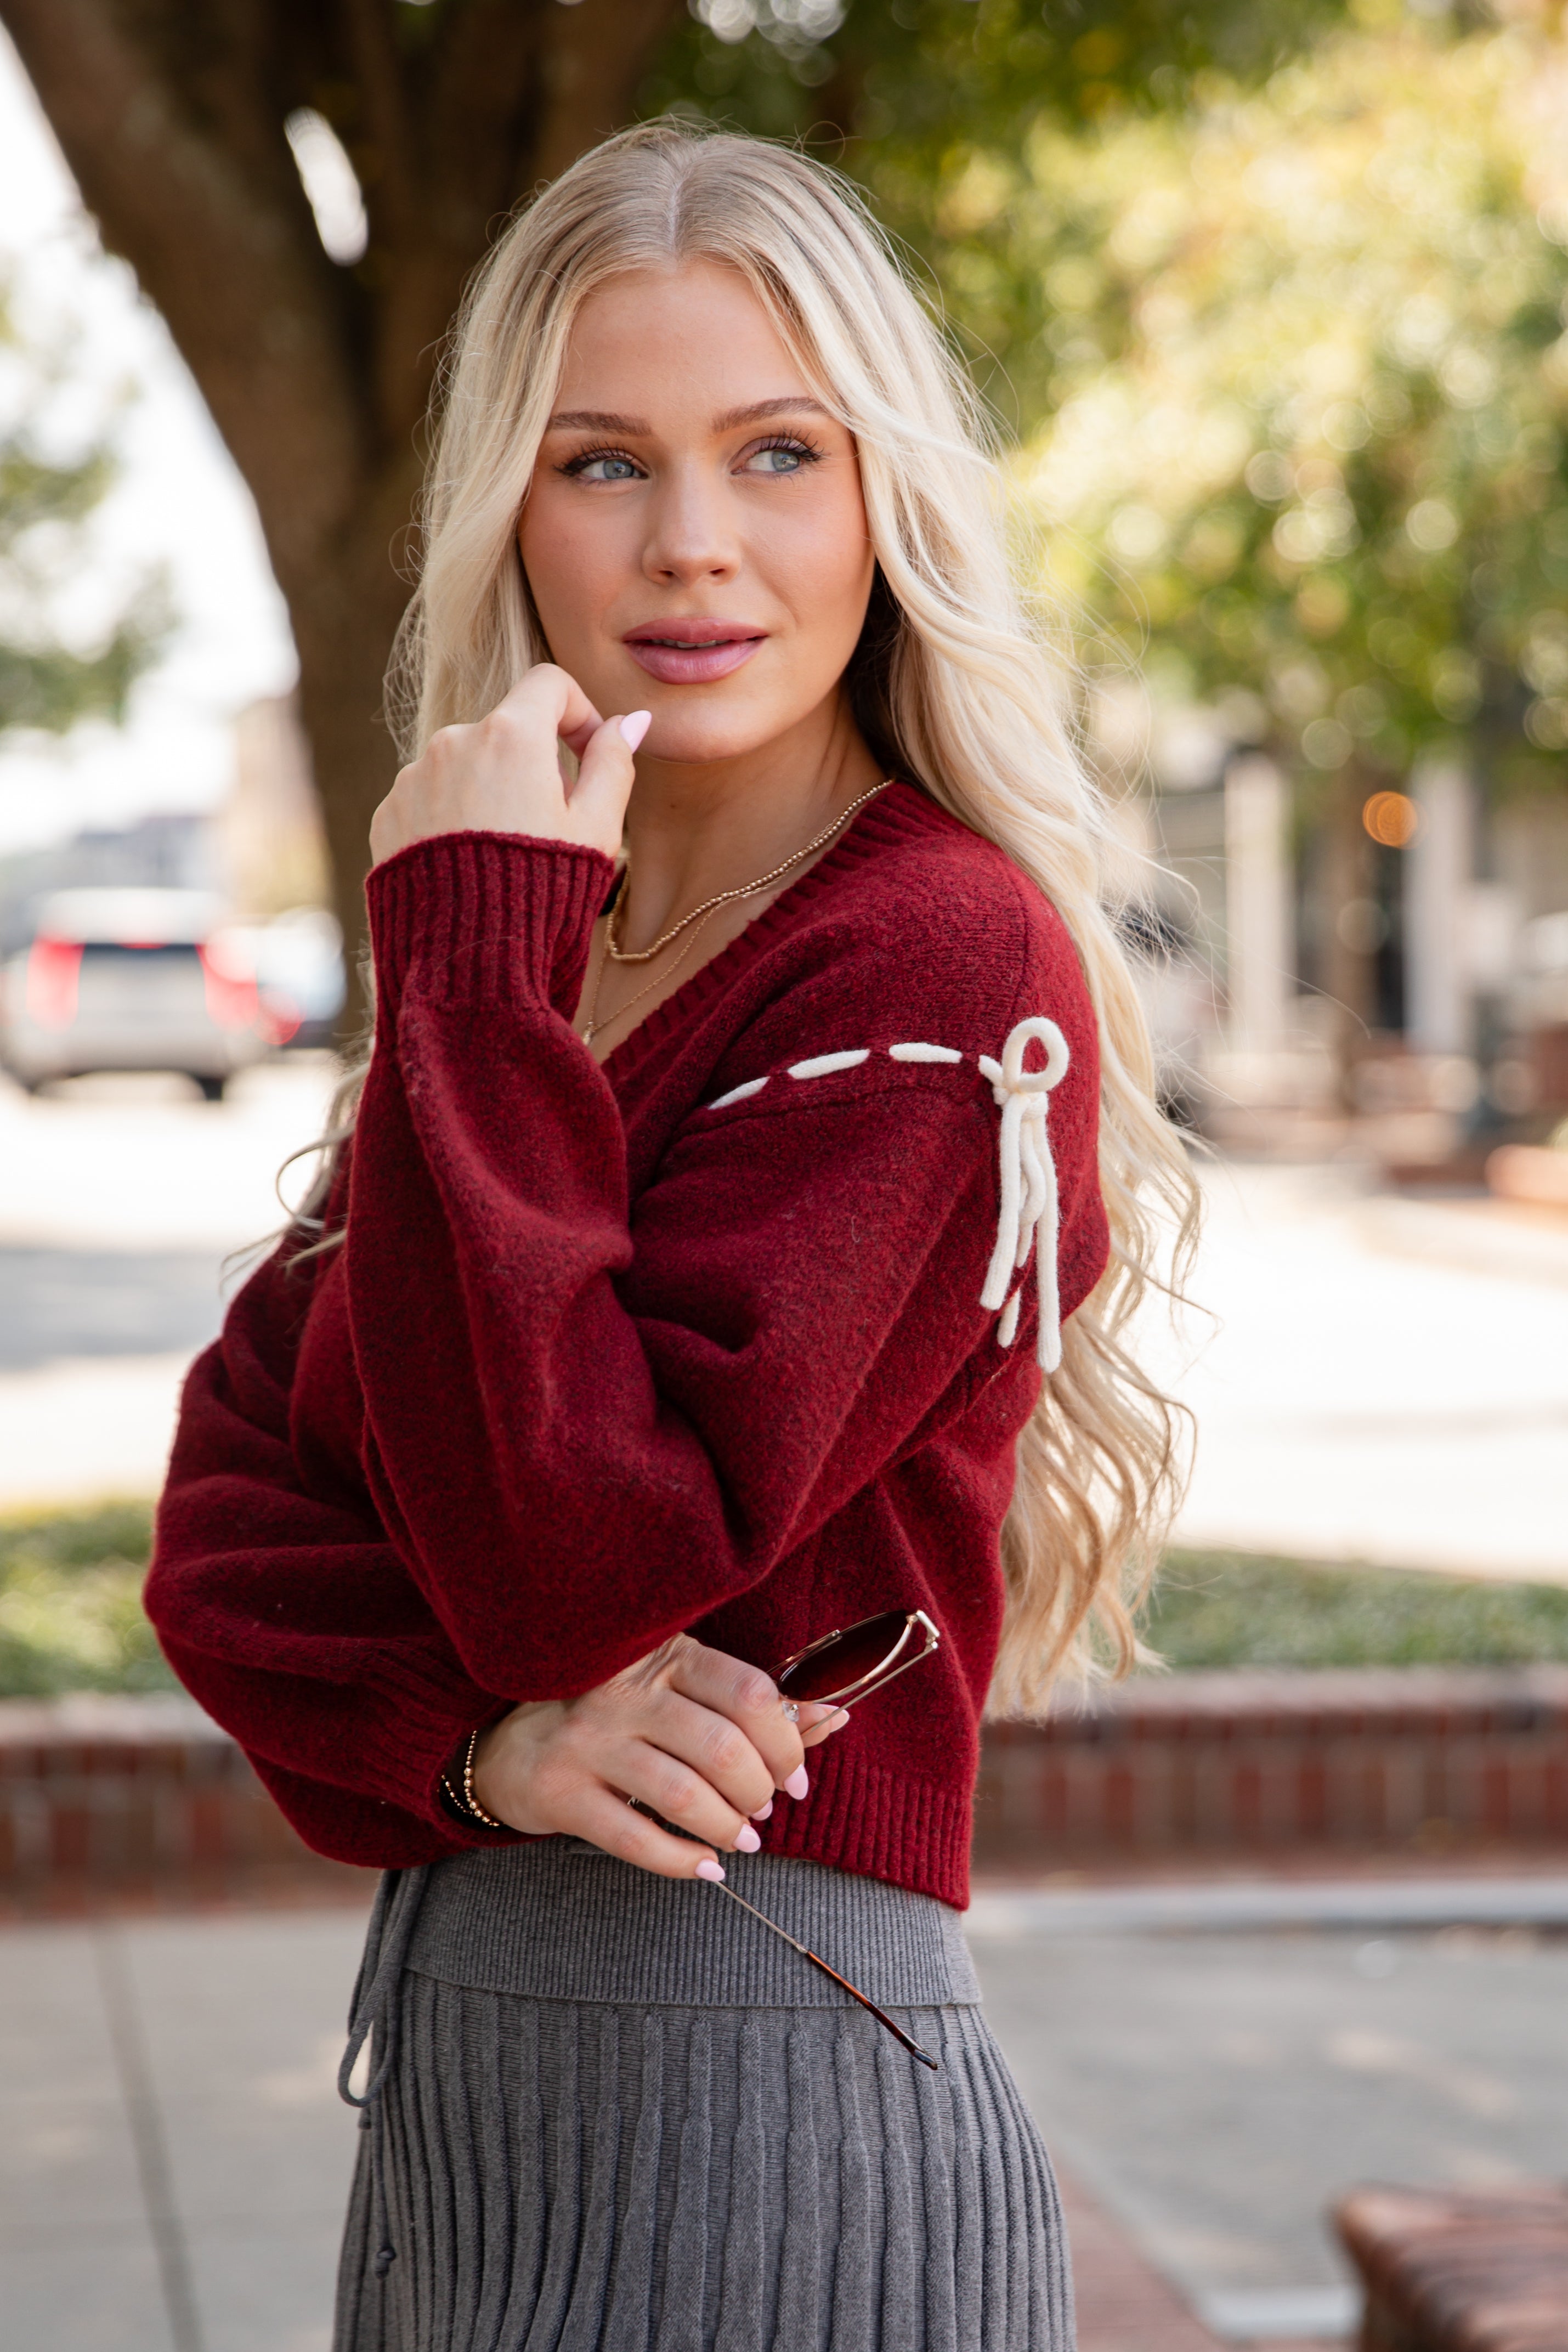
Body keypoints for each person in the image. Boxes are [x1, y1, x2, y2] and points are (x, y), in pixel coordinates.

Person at [146, 121, 1191, 2352]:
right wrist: (477, 1740)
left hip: (761, 2083)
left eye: (778, 454)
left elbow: (579, 1560)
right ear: (512, 508)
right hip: (468, 2092)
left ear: (884, 501)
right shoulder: (551, 930)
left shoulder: (925, 958)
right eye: (605, 461)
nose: (694, 546)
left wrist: (464, 957)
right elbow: (228, 1509)